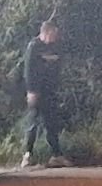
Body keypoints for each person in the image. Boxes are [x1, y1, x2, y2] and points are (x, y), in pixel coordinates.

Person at [22, 17, 70, 167]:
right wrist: (31, 91)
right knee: (33, 123)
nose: (55, 37)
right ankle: (27, 155)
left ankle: (56, 155)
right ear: (45, 32)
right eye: (52, 34)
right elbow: (28, 70)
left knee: (51, 123)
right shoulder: (34, 46)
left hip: (50, 91)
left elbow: (58, 65)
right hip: (36, 91)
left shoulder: (55, 46)